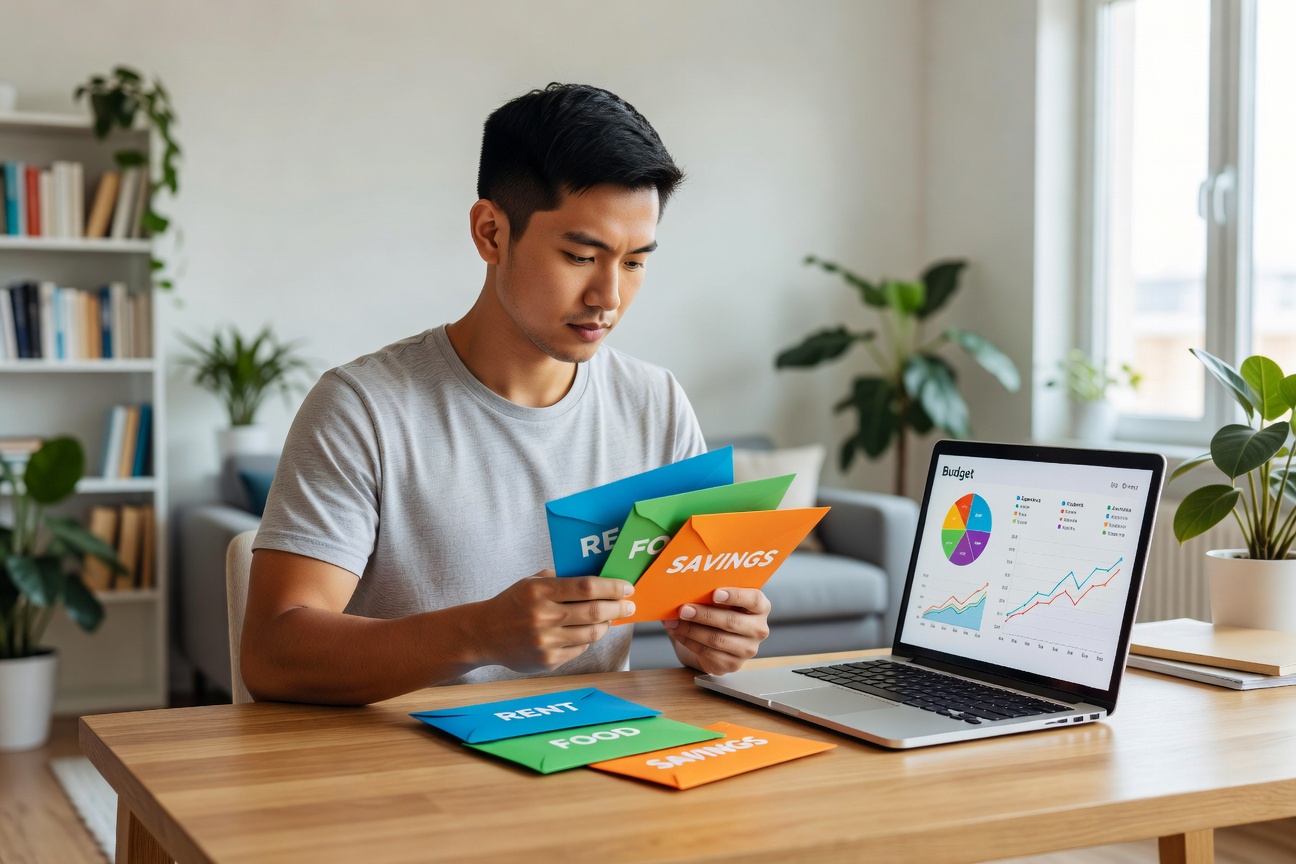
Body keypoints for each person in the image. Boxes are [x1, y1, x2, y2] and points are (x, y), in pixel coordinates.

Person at [241, 83, 773, 705]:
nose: (609, 297)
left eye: (634, 263)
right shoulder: (361, 408)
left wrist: (718, 636)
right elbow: (273, 655)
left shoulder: (655, 404)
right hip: (406, 776)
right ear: (491, 233)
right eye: (581, 255)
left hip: (594, 756)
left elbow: (701, 610)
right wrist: (478, 634)